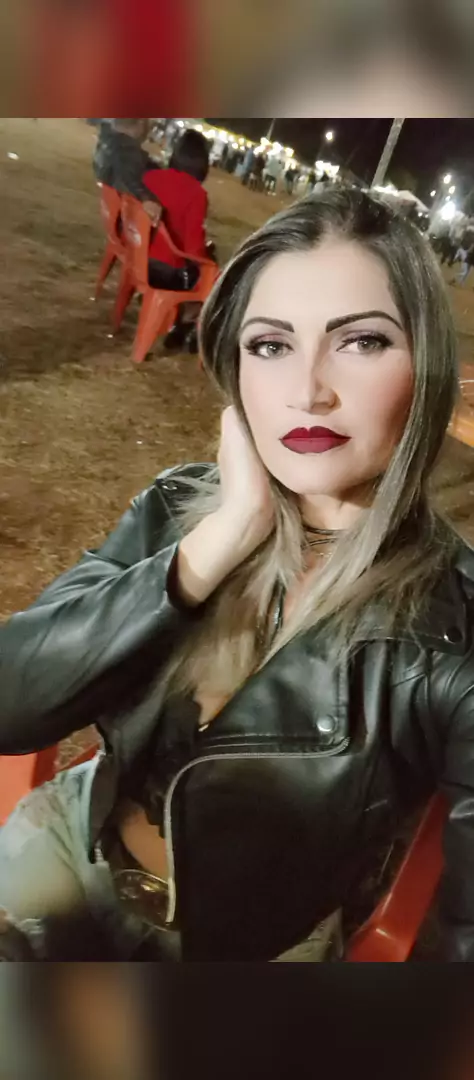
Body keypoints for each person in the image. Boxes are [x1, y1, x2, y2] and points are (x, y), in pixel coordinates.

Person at [1, 189, 474, 962]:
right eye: (271, 345)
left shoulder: (454, 631)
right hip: (67, 847)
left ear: (427, 368)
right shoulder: (180, 508)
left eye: (361, 341)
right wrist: (221, 539)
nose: (308, 390)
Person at [142, 129, 216, 354]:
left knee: (204, 267)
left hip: (140, 259)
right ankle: (185, 325)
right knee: (211, 275)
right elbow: (193, 247)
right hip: (167, 271)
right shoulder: (196, 194)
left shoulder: (151, 177)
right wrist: (208, 259)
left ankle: (181, 323)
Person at [93, 118, 161, 223]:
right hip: (130, 215)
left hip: (114, 209)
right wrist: (146, 198)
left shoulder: (106, 140)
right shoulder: (127, 150)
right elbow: (128, 177)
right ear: (141, 122)